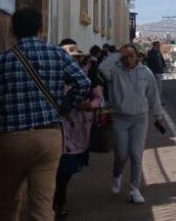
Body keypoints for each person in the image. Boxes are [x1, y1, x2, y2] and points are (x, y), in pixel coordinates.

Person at [0, 8, 91, 221]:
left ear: (13, 31)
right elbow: (83, 83)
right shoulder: (57, 54)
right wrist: (64, 106)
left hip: (11, 138)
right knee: (42, 206)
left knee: (5, 204)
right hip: (48, 136)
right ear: (40, 28)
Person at [99, 44, 164, 205]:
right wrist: (117, 54)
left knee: (136, 155)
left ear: (137, 56)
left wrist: (158, 115)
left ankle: (135, 189)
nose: (128, 60)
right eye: (125, 57)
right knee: (121, 154)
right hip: (120, 119)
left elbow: (153, 95)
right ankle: (117, 174)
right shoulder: (114, 72)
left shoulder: (146, 72)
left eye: (131, 56)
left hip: (140, 119)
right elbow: (101, 68)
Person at [53, 41, 103, 218]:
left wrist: (89, 105)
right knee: (60, 169)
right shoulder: (53, 74)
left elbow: (99, 99)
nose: (72, 59)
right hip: (58, 127)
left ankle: (58, 200)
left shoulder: (87, 75)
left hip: (79, 129)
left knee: (67, 169)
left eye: (75, 56)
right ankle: (58, 203)